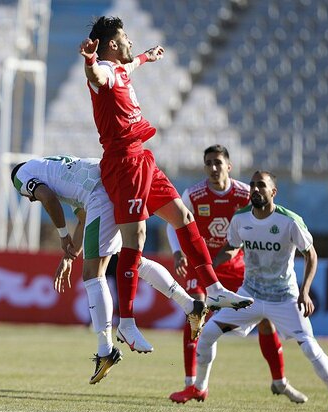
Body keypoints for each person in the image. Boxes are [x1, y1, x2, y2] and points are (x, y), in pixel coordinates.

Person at [79, 16, 252, 352]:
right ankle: (127, 323)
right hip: (123, 165)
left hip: (143, 158)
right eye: (125, 38)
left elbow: (131, 66)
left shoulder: (123, 68)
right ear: (112, 44)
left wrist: (146, 56)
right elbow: (96, 75)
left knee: (184, 218)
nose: (129, 42)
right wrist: (88, 60)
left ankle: (213, 289)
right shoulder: (104, 70)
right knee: (137, 238)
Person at [11, 155, 208, 384]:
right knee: (133, 261)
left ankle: (105, 350)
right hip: (114, 180)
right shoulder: (60, 173)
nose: (29, 200)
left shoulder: (20, 175)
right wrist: (70, 255)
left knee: (93, 275)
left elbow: (47, 198)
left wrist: (63, 236)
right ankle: (190, 304)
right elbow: (85, 219)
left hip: (100, 192)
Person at [169, 171, 328, 412]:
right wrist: (209, 267)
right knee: (207, 334)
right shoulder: (241, 218)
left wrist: (305, 291)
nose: (255, 189)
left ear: (273, 192)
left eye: (261, 186)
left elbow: (311, 254)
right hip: (250, 296)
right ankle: (199, 388)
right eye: (253, 185)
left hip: (283, 298)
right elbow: (231, 248)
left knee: (309, 347)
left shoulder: (289, 221)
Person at [166, 145, 306, 402]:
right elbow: (172, 224)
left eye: (218, 162)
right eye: (208, 163)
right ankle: (192, 381)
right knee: (195, 312)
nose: (213, 167)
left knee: (265, 319)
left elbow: (268, 219)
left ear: (228, 166)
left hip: (237, 266)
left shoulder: (246, 192)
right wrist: (177, 252)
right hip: (203, 265)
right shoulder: (194, 194)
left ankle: (279, 381)